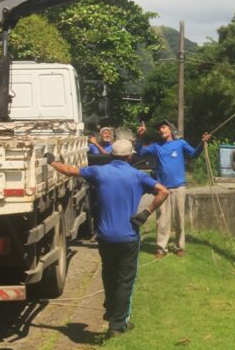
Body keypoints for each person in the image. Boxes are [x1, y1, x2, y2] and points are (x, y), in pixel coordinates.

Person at [45, 139, 168, 337]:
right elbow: (163, 191)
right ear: (129, 157)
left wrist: (51, 161)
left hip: (105, 237)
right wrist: (146, 212)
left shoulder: (98, 172)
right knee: (125, 279)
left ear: (111, 155)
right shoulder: (137, 175)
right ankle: (118, 325)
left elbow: (69, 170)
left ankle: (111, 312)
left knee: (109, 275)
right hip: (128, 236)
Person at [135, 119, 211, 258]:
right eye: (159, 129)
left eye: (163, 127)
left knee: (179, 218)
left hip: (179, 187)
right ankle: (160, 248)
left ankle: (179, 246)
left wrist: (202, 143)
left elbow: (194, 154)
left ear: (170, 129)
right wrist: (140, 137)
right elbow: (139, 153)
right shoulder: (156, 146)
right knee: (162, 220)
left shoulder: (180, 143)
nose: (161, 130)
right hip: (162, 189)